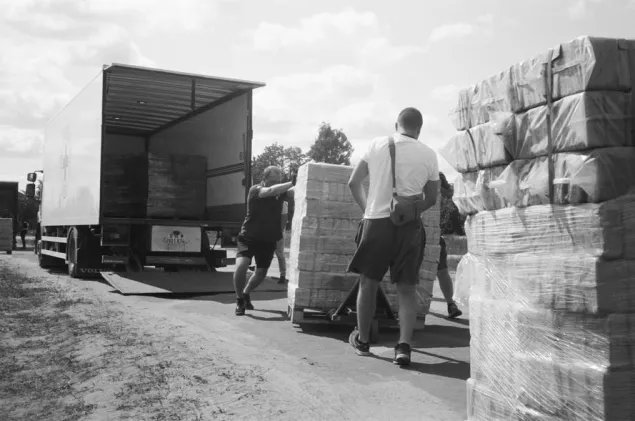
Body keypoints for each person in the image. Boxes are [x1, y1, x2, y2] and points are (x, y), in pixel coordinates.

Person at [347, 107, 440, 366]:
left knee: (369, 283)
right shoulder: (429, 154)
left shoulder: (376, 144)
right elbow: (432, 198)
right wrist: (411, 209)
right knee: (407, 288)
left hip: (376, 222)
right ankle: (403, 347)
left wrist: (369, 210)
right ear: (419, 129)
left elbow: (353, 183)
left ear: (395, 124)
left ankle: (363, 341)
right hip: (409, 227)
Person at [233, 166, 294, 316]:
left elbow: (295, 192)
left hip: (268, 239)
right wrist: (292, 182)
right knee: (242, 266)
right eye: (272, 180)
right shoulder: (255, 189)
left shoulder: (281, 192)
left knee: (261, 273)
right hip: (249, 236)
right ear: (264, 179)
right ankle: (239, 299)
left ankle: (246, 293)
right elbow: (270, 191)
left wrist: (303, 182)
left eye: (277, 181)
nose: (275, 184)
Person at [438, 172, 463, 319]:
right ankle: (450, 304)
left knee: (442, 271)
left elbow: (450, 195)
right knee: (442, 272)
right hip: (428, 234)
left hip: (431, 235)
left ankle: (451, 304)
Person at [274, 200, 288, 284]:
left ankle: (283, 275)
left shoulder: (283, 203)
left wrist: (279, 233)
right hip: (269, 232)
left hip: (278, 233)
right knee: (264, 253)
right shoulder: (269, 201)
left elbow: (284, 219)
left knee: (280, 254)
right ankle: (259, 273)